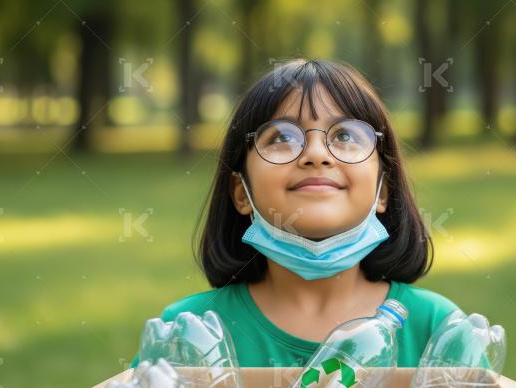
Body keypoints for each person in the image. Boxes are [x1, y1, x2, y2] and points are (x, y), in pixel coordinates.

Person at [131, 59, 460, 368]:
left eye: (345, 135)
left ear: (382, 191)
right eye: (283, 137)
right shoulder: (185, 332)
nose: (316, 155)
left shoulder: (439, 330)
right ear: (241, 193)